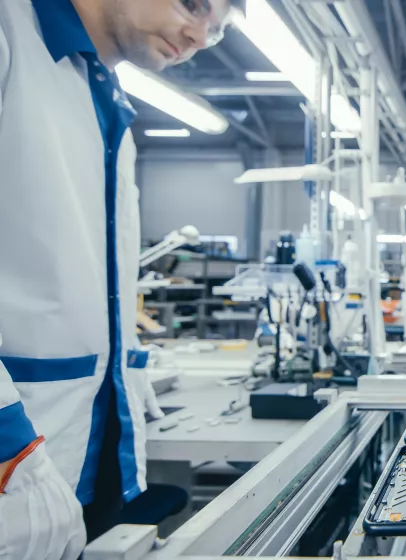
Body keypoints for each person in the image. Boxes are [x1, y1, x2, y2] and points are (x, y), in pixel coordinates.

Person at [0, 0, 240, 557]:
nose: (201, 35)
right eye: (195, 5)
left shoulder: (106, 97)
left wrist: (124, 381)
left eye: (219, 29)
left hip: (82, 455)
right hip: (16, 452)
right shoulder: (11, 34)